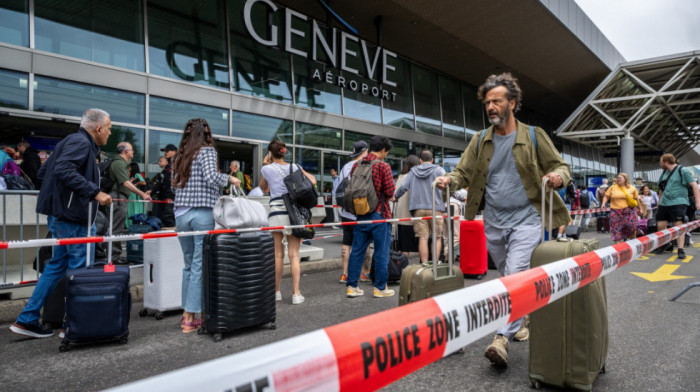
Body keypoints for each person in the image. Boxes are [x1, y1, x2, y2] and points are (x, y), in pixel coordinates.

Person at [435, 73, 571, 367]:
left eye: (497, 101)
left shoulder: (533, 135)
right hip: (493, 220)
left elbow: (560, 164)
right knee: (506, 276)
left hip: (527, 219)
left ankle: (501, 338)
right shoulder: (480, 140)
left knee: (515, 273)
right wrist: (449, 179)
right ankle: (521, 318)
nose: (491, 107)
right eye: (487, 102)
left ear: (513, 102)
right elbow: (463, 172)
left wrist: (558, 177)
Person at [9, 108, 113, 338]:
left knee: (56, 266)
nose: (109, 133)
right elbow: (63, 170)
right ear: (98, 128)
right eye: (109, 129)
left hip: (63, 216)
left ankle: (27, 319)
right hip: (74, 218)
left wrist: (60, 202)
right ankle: (74, 325)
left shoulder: (70, 141)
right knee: (79, 271)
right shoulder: (82, 143)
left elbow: (46, 173)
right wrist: (94, 192)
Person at [172, 118, 241, 333]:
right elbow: (212, 178)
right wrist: (230, 179)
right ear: (207, 133)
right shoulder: (207, 151)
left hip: (181, 213)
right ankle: (191, 316)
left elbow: (174, 185)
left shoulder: (180, 156)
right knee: (200, 265)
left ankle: (187, 314)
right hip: (202, 213)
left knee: (188, 265)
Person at [260, 140, 317, 305]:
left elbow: (263, 188)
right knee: (294, 255)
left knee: (278, 254)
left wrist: (266, 163)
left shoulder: (266, 168)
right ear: (284, 152)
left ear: (270, 153)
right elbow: (312, 181)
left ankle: (276, 292)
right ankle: (296, 294)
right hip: (294, 214)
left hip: (276, 213)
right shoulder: (295, 167)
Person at [345, 135, 396, 299]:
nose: (386, 155)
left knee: (357, 251)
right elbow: (389, 192)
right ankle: (380, 288)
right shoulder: (383, 166)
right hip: (380, 214)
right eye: (386, 152)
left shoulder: (357, 165)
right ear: (382, 150)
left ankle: (352, 287)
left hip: (361, 214)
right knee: (381, 252)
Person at [395, 150, 446, 264]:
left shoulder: (413, 171)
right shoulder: (438, 170)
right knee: (437, 237)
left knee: (423, 237)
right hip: (436, 208)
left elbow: (403, 187)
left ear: (420, 160)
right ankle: (435, 264)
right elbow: (448, 183)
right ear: (432, 160)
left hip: (418, 209)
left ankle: (424, 265)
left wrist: (395, 197)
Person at [333, 140, 372, 283]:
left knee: (347, 242)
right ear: (365, 151)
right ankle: (364, 272)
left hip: (346, 212)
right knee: (364, 242)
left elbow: (338, 187)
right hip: (361, 211)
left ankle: (345, 274)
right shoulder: (366, 166)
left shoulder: (345, 167)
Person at [107, 142, 151, 263]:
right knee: (116, 228)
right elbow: (125, 183)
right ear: (126, 151)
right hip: (118, 198)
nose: (133, 152)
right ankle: (113, 257)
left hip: (119, 197)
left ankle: (114, 255)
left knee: (117, 227)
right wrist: (142, 194)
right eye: (132, 150)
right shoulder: (119, 163)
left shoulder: (121, 163)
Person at [653, 153, 700, 259]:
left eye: (660, 162)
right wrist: (659, 203)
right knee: (660, 225)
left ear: (666, 162)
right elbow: (661, 189)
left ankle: (680, 249)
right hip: (664, 203)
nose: (660, 164)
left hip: (678, 202)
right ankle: (665, 244)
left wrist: (698, 202)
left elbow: (694, 185)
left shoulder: (682, 170)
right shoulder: (664, 172)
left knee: (678, 225)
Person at [601, 173, 639, 244]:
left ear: (625, 179)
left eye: (620, 178)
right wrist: (603, 203)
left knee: (632, 228)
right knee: (616, 231)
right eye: (617, 178)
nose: (618, 179)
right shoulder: (613, 187)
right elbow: (606, 196)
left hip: (629, 212)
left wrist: (640, 209)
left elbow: (636, 199)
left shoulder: (632, 188)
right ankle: (620, 251)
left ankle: (633, 244)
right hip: (615, 212)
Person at [394, 155, 420, 258]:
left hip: (401, 217)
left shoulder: (400, 176)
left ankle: (403, 268)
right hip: (411, 216)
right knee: (420, 243)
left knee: (404, 247)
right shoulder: (412, 176)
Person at [153, 148, 176, 227]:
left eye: (167, 151)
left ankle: (174, 234)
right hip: (162, 198)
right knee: (162, 218)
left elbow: (171, 185)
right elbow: (159, 184)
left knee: (167, 217)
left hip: (169, 198)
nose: (159, 163)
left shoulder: (171, 170)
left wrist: (171, 196)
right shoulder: (163, 172)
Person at [126, 162, 148, 228]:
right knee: (130, 210)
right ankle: (130, 225)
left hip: (135, 196)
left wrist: (136, 182)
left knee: (136, 210)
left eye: (130, 167)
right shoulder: (131, 176)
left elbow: (144, 183)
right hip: (131, 195)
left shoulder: (137, 174)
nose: (129, 168)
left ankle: (136, 225)